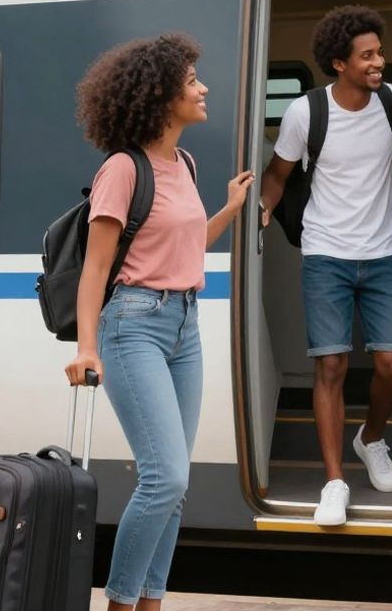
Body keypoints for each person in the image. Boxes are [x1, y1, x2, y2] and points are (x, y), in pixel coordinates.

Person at [64, 33, 253, 611]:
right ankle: (121, 604)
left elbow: (188, 246)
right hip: (132, 326)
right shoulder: (122, 170)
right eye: (192, 81)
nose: (203, 89)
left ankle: (151, 603)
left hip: (184, 325)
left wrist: (230, 210)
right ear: (160, 96)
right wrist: (86, 348)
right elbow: (95, 269)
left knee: (176, 486)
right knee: (163, 477)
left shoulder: (184, 162)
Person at [258, 5, 392, 526]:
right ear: (338, 63)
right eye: (367, 55)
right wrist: (261, 207)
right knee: (331, 365)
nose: (379, 62)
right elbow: (278, 173)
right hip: (326, 253)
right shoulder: (307, 113)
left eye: (379, 52)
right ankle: (333, 482)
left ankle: (371, 438)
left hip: (384, 252)